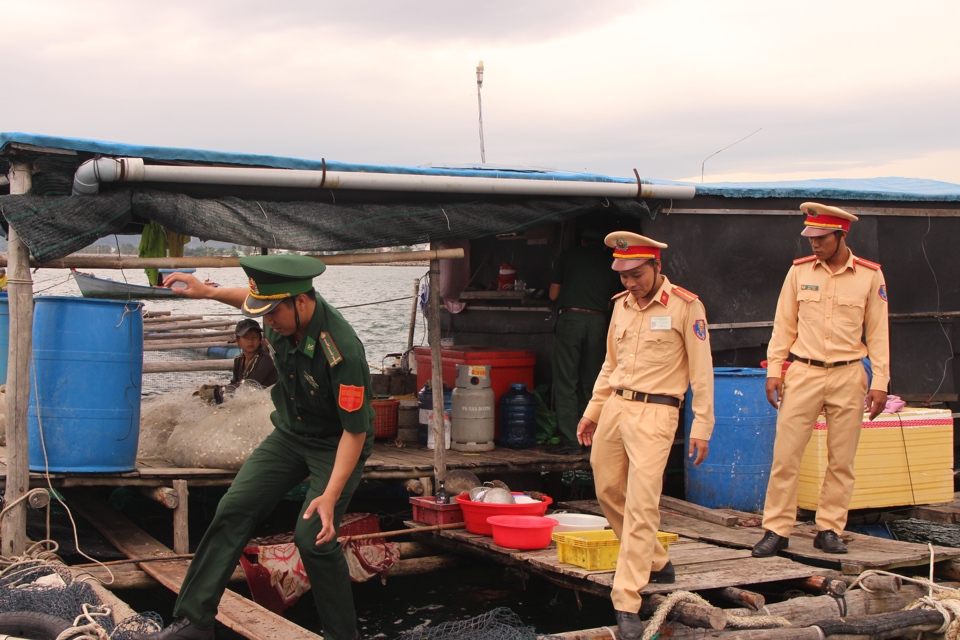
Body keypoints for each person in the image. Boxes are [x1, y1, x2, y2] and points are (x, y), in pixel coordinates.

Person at [132, 254, 375, 640]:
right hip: (291, 434)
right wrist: (205, 292)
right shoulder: (277, 309)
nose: (267, 322)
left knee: (312, 536)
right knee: (234, 507)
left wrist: (329, 497)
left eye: (272, 313)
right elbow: (246, 298)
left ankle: (342, 634)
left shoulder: (340, 348)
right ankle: (194, 621)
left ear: (300, 301)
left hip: (336, 443)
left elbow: (355, 432)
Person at [577, 232, 714, 640]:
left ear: (656, 266)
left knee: (641, 504)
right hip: (617, 406)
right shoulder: (620, 307)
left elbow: (701, 374)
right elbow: (608, 364)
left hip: (657, 413)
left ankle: (627, 598)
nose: (629, 284)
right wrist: (592, 412)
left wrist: (701, 426)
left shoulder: (687, 307)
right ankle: (655, 557)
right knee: (606, 489)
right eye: (622, 276)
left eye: (636, 275)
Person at [752, 203, 889, 558]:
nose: (814, 244)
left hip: (848, 373)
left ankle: (829, 528)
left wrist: (881, 382)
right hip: (804, 371)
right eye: (810, 237)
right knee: (786, 455)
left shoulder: (869, 276)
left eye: (822, 237)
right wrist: (774, 371)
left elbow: (878, 333)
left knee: (841, 459)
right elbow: (783, 326)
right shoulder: (798, 272)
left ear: (842, 235)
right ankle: (777, 528)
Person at [548, 228, 622, 454]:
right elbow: (611, 303)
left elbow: (553, 294)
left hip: (571, 320)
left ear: (582, 238)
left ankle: (571, 440)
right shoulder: (613, 263)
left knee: (566, 381)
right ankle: (590, 439)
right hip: (599, 323)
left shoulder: (568, 256)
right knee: (593, 381)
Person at [195, 318, 279, 403]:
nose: (250, 341)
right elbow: (234, 383)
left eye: (254, 337)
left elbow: (248, 387)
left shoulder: (265, 359)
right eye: (245, 337)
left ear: (259, 339)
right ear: (238, 340)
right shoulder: (238, 359)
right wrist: (216, 388)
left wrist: (216, 393)